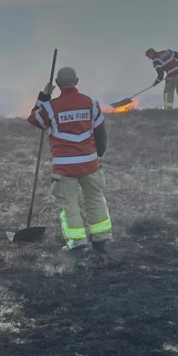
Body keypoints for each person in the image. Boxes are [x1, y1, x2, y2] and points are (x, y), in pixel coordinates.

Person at [28, 66, 112, 259]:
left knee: (69, 205)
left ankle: (77, 244)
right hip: (90, 164)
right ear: (77, 81)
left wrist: (44, 96)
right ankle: (102, 240)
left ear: (57, 84)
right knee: (95, 199)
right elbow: (101, 134)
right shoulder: (91, 103)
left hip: (65, 167)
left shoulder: (50, 107)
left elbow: (34, 120)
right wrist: (98, 156)